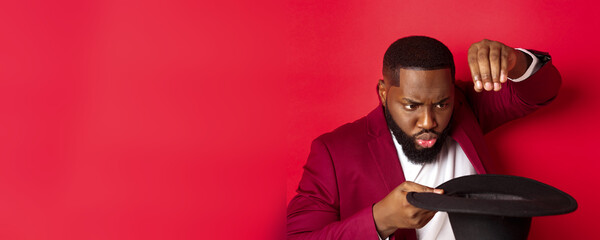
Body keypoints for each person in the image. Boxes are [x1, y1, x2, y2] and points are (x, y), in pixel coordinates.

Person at [286, 36, 561, 240]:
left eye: (442, 104)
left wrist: (515, 61)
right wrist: (380, 219)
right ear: (383, 93)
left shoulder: (466, 109)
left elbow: (541, 91)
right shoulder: (333, 152)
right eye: (411, 106)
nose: (429, 122)